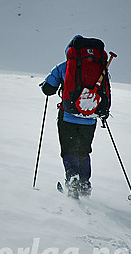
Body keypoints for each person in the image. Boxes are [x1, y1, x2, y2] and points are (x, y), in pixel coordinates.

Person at [40, 35, 101, 196]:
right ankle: (85, 183)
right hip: (90, 117)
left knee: (68, 150)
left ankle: (72, 178)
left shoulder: (65, 66)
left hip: (68, 116)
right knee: (83, 151)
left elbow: (48, 89)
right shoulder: (99, 66)